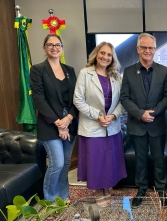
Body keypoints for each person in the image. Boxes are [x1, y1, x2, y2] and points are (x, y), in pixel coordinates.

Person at [73, 42, 127, 207]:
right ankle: (98, 191)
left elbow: (122, 101)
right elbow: (78, 99)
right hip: (92, 126)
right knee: (96, 160)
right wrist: (97, 116)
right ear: (96, 54)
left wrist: (112, 115)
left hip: (111, 125)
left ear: (112, 58)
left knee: (109, 159)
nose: (105, 57)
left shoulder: (117, 76)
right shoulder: (85, 73)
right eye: (102, 53)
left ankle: (107, 188)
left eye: (109, 55)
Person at [120, 33, 167, 207]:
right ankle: (141, 189)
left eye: (151, 48)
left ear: (155, 49)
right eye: (144, 47)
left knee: (159, 159)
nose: (148, 51)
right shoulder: (128, 71)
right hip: (137, 124)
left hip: (157, 124)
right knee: (140, 160)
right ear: (138, 49)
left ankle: (161, 190)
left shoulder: (164, 71)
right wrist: (140, 113)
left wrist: (153, 113)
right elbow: (124, 98)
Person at [30, 34, 78, 202]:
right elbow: (38, 99)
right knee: (56, 164)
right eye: (50, 45)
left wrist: (69, 119)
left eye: (58, 45)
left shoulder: (70, 70)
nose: (54, 47)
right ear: (44, 48)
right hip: (50, 124)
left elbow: (77, 98)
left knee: (66, 164)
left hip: (70, 123)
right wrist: (59, 123)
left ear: (62, 48)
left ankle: (63, 197)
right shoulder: (37, 70)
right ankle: (51, 200)